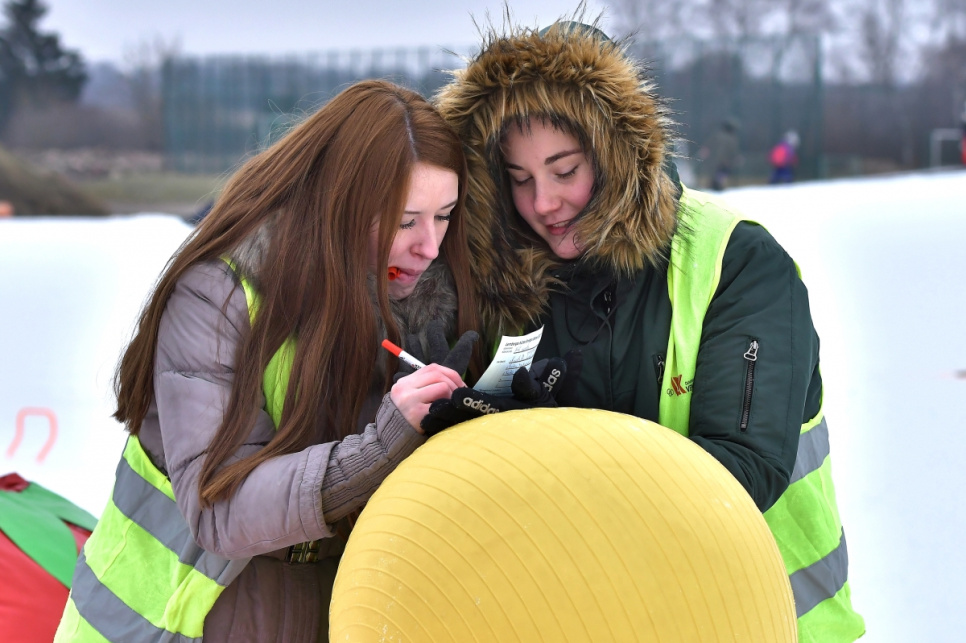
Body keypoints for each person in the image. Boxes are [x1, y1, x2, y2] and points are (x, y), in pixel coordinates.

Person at [431, 17, 865, 642]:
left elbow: (740, 473)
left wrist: (554, 453)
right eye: (519, 180)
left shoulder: (737, 262)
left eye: (564, 170)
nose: (543, 203)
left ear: (616, 154)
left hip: (766, 623)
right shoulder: (507, 289)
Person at [53, 79, 485, 642]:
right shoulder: (219, 295)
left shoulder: (425, 307)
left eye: (444, 216)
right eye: (405, 221)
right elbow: (220, 511)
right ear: (340, 203)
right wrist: (383, 443)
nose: (429, 245)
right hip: (162, 623)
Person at [699, 116, 742, 190]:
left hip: (715, 161)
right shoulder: (732, 139)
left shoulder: (717, 135)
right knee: (721, 176)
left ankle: (713, 186)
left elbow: (707, 146)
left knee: (715, 176)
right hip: (724, 162)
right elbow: (733, 151)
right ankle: (717, 186)